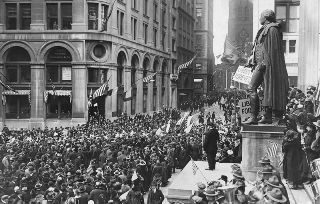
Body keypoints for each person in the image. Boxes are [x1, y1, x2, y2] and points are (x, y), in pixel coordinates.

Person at [243, 9, 289, 125]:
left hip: (266, 65)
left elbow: (272, 50)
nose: (260, 18)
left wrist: (264, 63)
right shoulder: (265, 29)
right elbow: (260, 48)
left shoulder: (272, 29)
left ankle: (255, 117)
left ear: (267, 17)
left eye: (261, 16)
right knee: (265, 90)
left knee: (252, 88)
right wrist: (252, 60)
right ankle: (264, 116)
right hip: (261, 64)